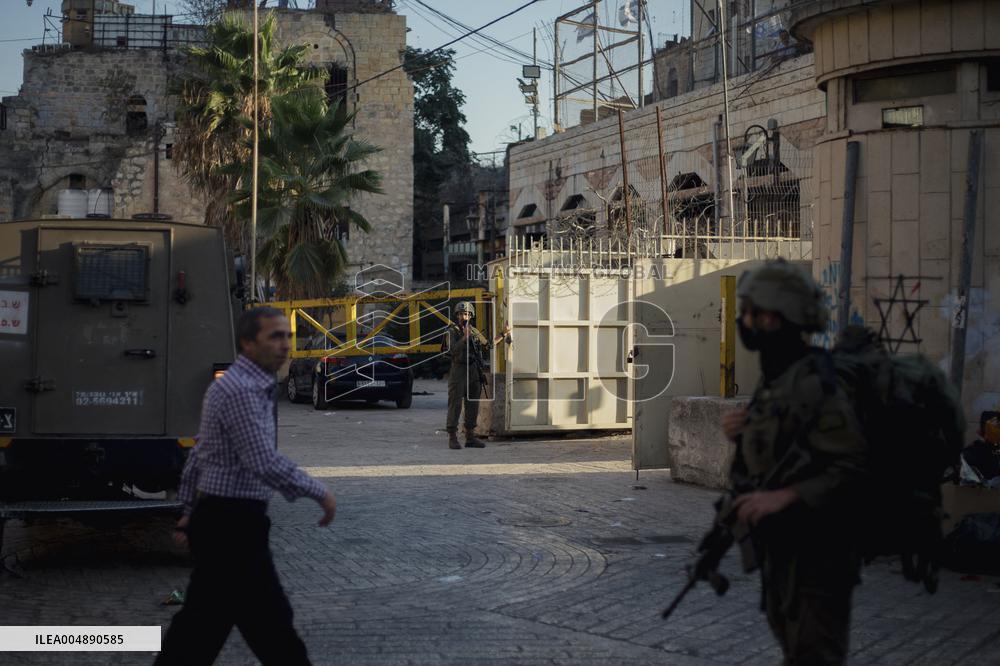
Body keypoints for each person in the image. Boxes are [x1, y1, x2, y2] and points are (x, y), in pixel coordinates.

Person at [156, 307, 337, 666]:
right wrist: (320, 492)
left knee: (205, 629)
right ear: (247, 343)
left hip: (226, 521)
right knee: (267, 629)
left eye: (288, 336)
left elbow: (199, 454)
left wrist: (188, 515)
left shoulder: (249, 385)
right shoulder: (240, 389)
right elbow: (262, 460)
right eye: (275, 336)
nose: (286, 345)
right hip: (231, 523)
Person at [721, 259, 867, 665]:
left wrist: (786, 496)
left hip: (820, 554)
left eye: (748, 313)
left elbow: (853, 465)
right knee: (794, 648)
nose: (743, 322)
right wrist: (746, 433)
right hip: (785, 551)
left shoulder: (817, 381)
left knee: (814, 655)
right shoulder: (779, 379)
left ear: (770, 318)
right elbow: (791, 448)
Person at [444, 301, 511, 450]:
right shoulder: (451, 331)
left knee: (472, 404)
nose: (464, 316)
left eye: (467, 314)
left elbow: (488, 345)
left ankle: (470, 437)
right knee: (455, 404)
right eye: (462, 314)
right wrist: (463, 338)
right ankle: (452, 437)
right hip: (458, 371)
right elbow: (450, 351)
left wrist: (503, 333)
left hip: (473, 370)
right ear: (457, 316)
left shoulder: (473, 331)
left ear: (471, 316)